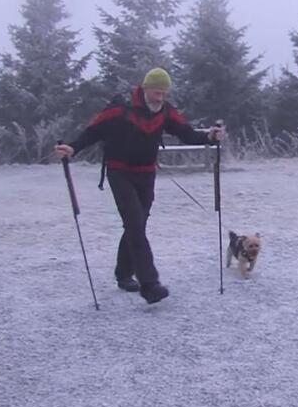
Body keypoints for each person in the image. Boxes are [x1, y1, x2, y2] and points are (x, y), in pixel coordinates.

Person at [55, 67, 225, 304]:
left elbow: (186, 133)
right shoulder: (119, 109)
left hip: (146, 174)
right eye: (156, 92)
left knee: (138, 224)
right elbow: (93, 131)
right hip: (119, 172)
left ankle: (124, 274)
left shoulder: (166, 112)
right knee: (135, 223)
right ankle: (150, 284)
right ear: (145, 89)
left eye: (164, 94)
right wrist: (72, 148)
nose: (160, 98)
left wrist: (209, 137)